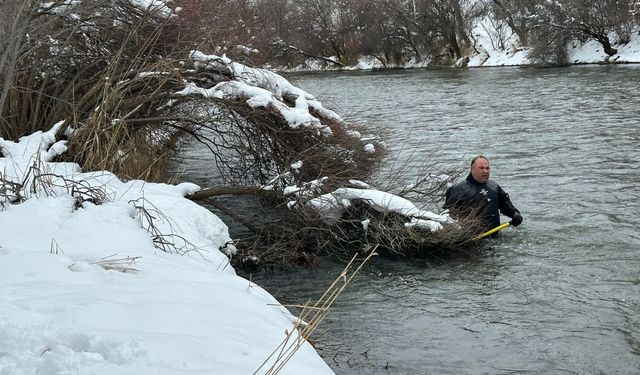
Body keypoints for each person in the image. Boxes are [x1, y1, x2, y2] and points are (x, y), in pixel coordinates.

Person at [444, 155, 523, 233]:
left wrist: (515, 213)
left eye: (487, 168)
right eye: (481, 168)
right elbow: (447, 217)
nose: (485, 171)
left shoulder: (494, 187)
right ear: (471, 169)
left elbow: (505, 206)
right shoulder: (458, 189)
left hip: (495, 237)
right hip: (471, 239)